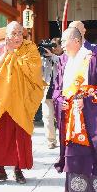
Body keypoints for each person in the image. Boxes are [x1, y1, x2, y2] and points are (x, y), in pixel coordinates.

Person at [0, 21, 43, 184]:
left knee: (19, 135)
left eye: (20, 33)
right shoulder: (2, 47)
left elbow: (34, 71)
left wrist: (14, 54)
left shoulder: (30, 48)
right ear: (7, 35)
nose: (17, 37)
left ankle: (18, 170)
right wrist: (7, 53)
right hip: (4, 99)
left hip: (22, 99)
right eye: (13, 33)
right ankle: (0, 170)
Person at [53, 27, 97, 191]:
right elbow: (56, 88)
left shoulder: (92, 59)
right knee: (73, 158)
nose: (61, 44)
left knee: (91, 158)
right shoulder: (63, 61)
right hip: (70, 121)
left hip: (90, 121)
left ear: (76, 41)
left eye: (64, 41)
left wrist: (87, 100)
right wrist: (60, 101)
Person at [40, 38, 63, 149]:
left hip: (60, 93)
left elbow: (62, 63)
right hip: (47, 92)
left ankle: (64, 139)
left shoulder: (64, 57)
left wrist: (52, 56)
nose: (52, 48)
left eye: (54, 46)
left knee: (61, 118)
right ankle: (51, 141)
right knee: (47, 117)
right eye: (50, 46)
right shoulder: (43, 58)